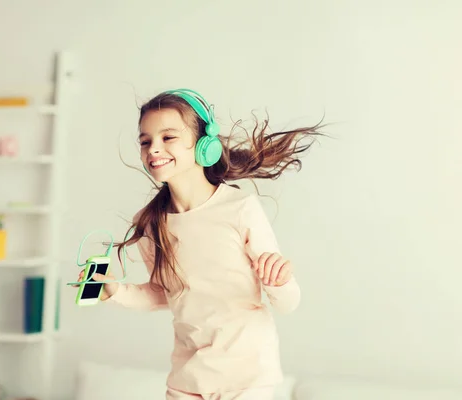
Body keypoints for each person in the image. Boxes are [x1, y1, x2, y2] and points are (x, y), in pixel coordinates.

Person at [76, 88, 323, 400]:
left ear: (204, 144)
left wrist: (279, 281)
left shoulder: (240, 208)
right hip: (188, 379)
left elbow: (288, 303)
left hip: (248, 377)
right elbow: (165, 292)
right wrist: (116, 291)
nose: (153, 149)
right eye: (145, 141)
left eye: (168, 138)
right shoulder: (150, 223)